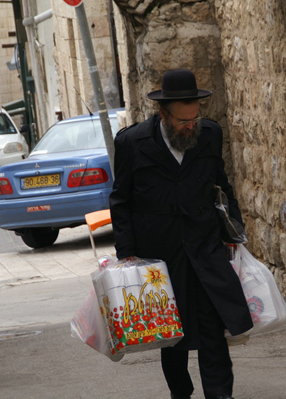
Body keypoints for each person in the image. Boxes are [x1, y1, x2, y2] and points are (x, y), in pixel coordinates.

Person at [109, 69, 253, 399]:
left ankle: (220, 393)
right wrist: (127, 252)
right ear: (163, 114)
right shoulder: (132, 142)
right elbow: (121, 199)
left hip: (204, 247)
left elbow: (222, 186)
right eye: (182, 121)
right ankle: (181, 393)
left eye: (194, 118)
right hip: (160, 255)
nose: (190, 126)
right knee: (170, 335)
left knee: (212, 327)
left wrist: (234, 228)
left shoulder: (210, 134)